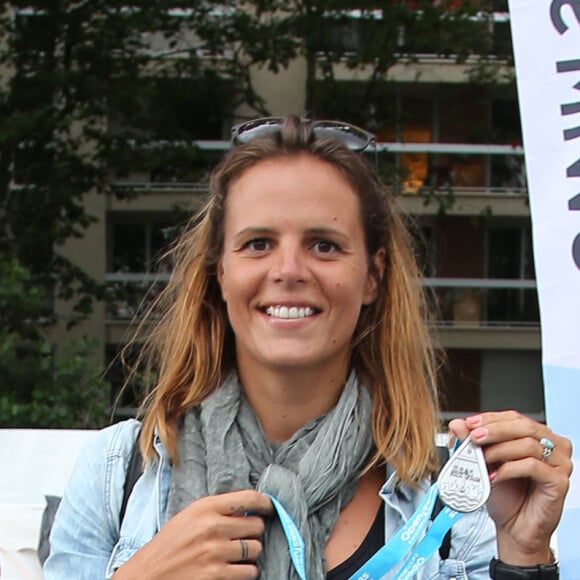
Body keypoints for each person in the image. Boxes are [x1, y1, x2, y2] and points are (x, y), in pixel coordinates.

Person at [44, 116, 572, 580]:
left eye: (324, 245)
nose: (289, 271)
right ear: (219, 272)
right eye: (258, 244)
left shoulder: (457, 501)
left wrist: (524, 552)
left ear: (372, 276)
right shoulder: (118, 473)